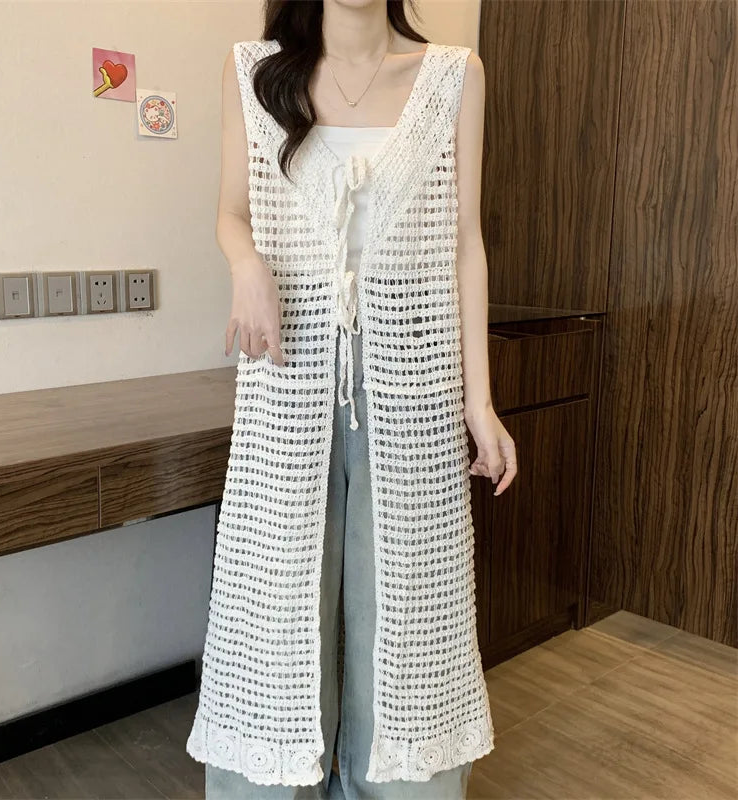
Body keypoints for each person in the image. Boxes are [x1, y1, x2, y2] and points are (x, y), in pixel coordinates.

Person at [187, 1, 518, 797]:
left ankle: (399, 783)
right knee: (276, 610)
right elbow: (231, 213)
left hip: (413, 386)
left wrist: (479, 401)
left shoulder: (454, 77)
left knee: (407, 614)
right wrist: (245, 265)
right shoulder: (254, 72)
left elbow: (465, 244)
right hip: (286, 382)